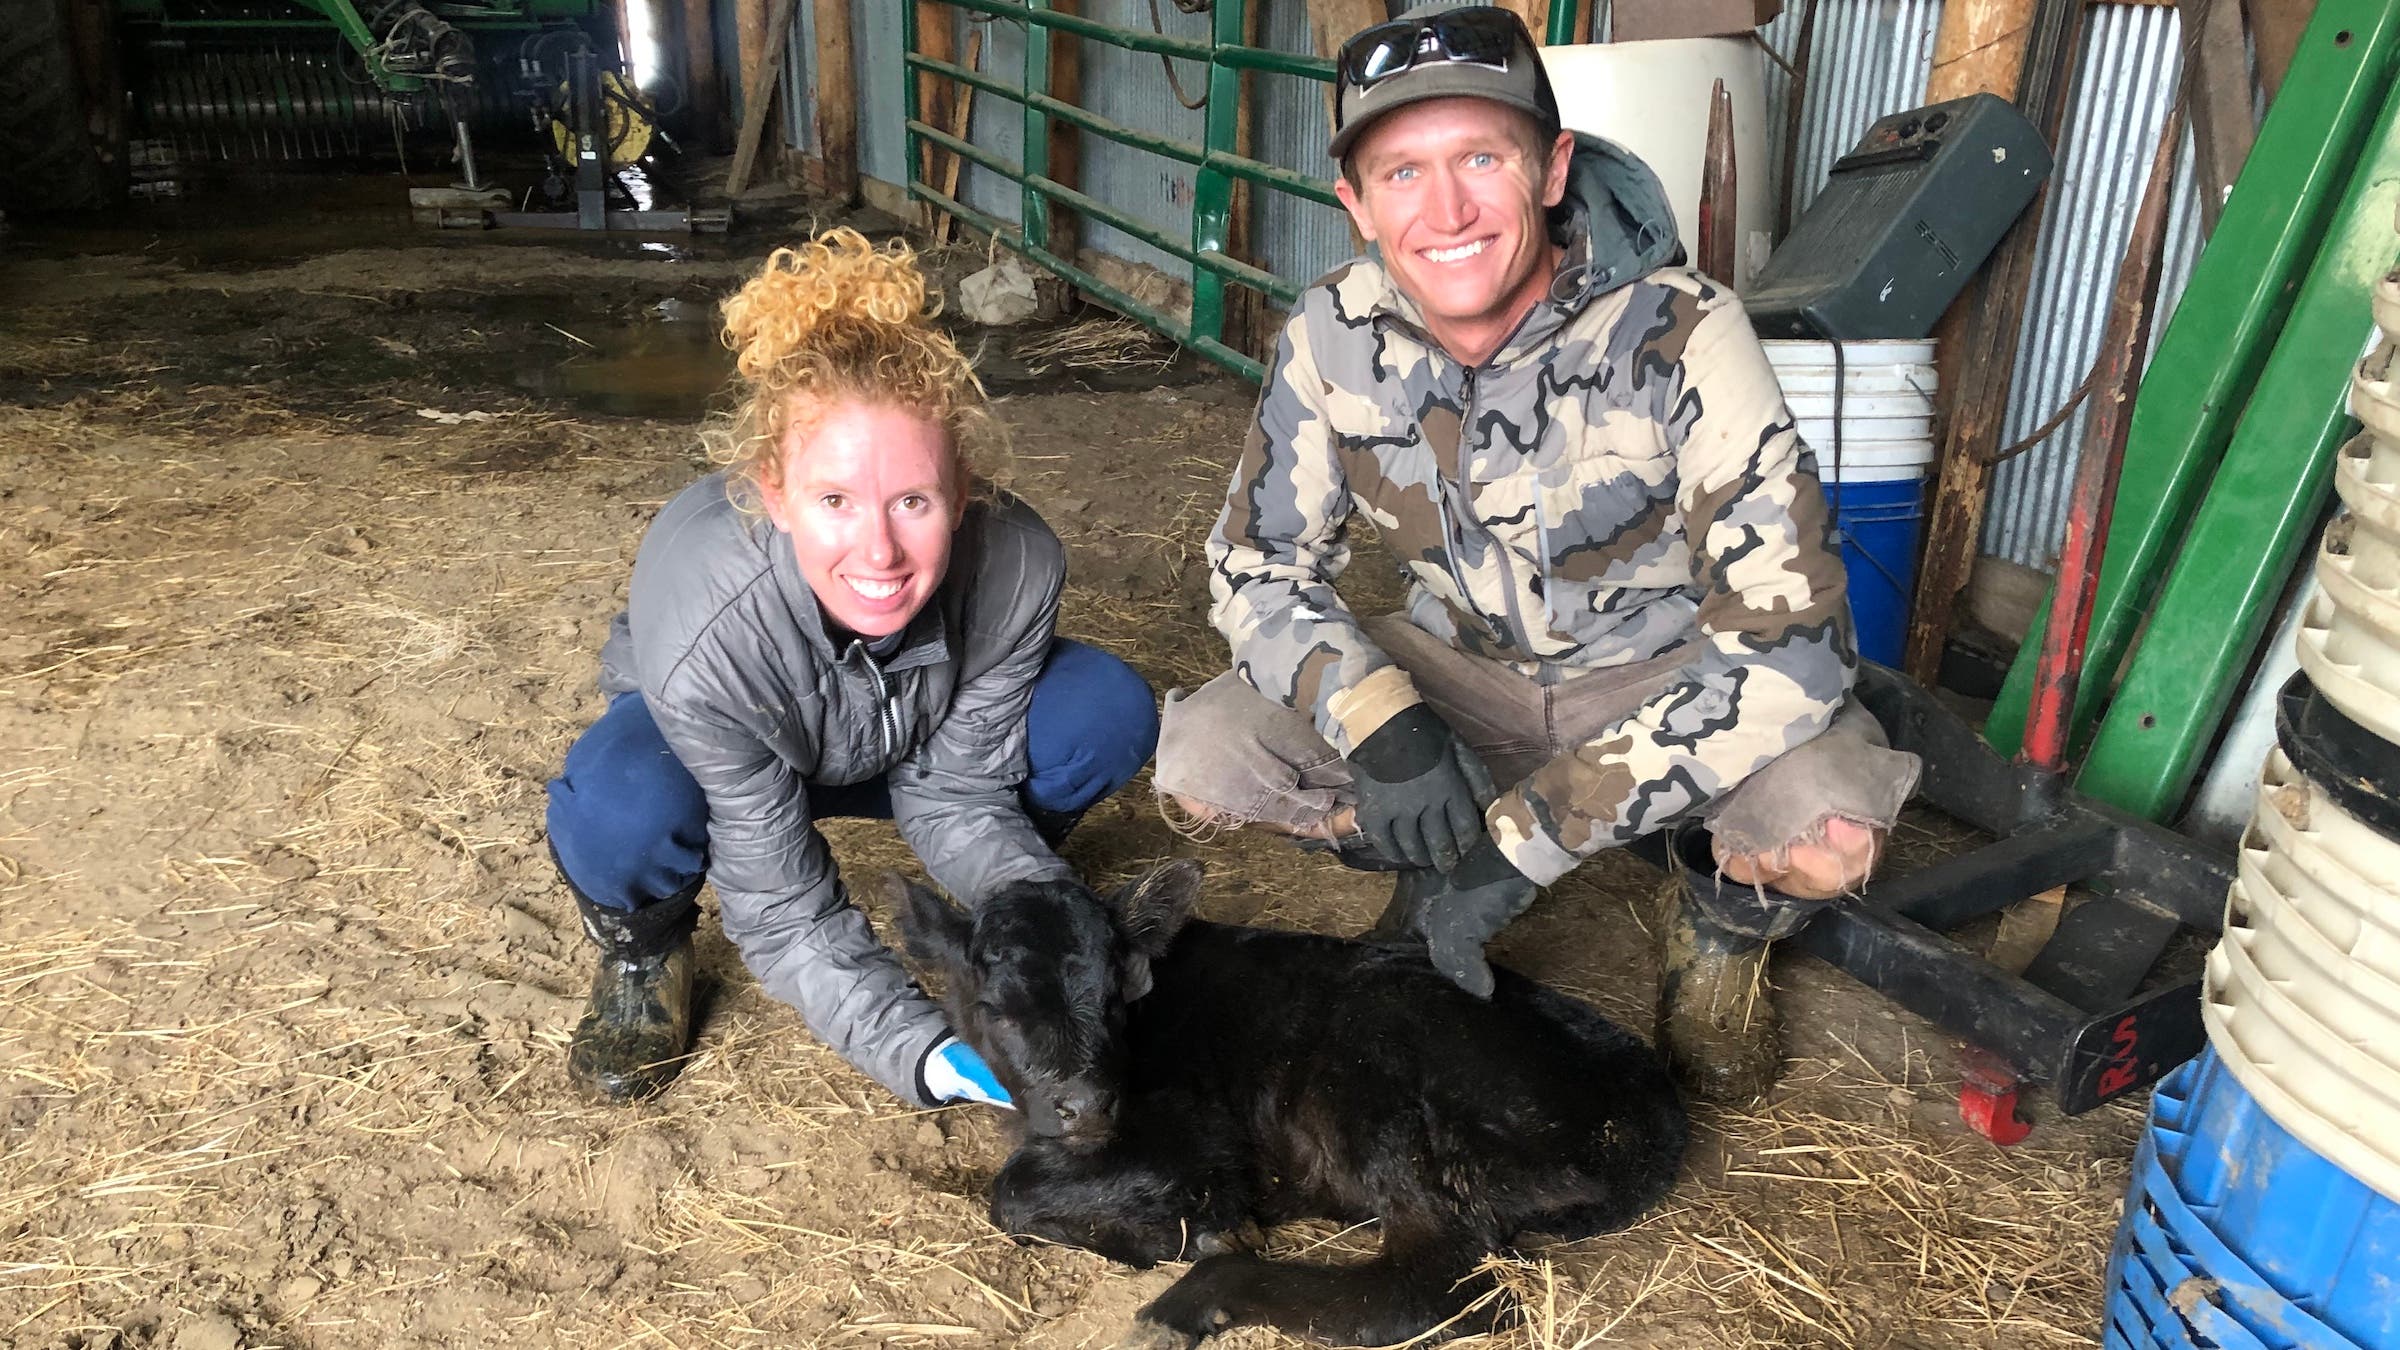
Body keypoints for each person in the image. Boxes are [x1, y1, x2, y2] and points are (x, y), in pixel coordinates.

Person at [1154, 5, 1920, 1104]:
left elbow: (1791, 645)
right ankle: (1425, 854)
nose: (1447, 211)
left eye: (1481, 158)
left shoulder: (1682, 329)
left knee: (1830, 828)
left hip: (1660, 674)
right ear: (1355, 203)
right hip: (1457, 671)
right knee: (1207, 758)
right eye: (1402, 172)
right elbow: (1255, 567)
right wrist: (1386, 726)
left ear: (1553, 169)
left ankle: (1722, 928)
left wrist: (1529, 839)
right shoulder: (1331, 332)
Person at [544, 228, 1160, 1108]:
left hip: (905, 736)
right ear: (774, 492)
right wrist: (927, 1055)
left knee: (1102, 709)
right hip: (734, 744)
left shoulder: (1019, 563)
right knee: (622, 802)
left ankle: (1011, 915)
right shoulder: (710, 633)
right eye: (834, 500)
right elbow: (782, 901)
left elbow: (959, 789)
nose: (879, 551)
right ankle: (643, 952)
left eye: (913, 501)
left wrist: (1044, 924)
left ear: (962, 490)